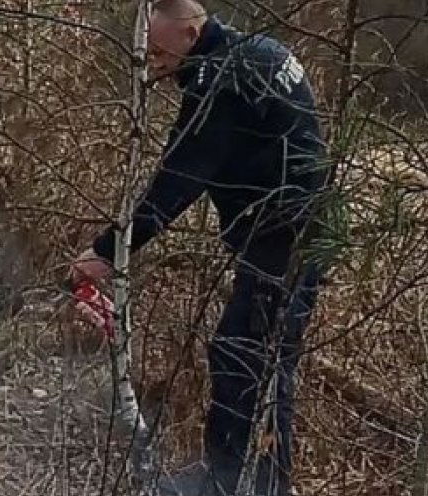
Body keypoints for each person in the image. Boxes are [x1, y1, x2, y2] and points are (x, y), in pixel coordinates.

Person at [70, 1, 328, 495]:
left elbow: (180, 177)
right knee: (249, 354)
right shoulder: (244, 56)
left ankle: (242, 484)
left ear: (190, 34)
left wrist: (107, 252)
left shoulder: (223, 78)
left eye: (161, 50)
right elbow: (186, 151)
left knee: (253, 358)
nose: (154, 62)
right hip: (285, 234)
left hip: (285, 236)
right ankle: (238, 478)